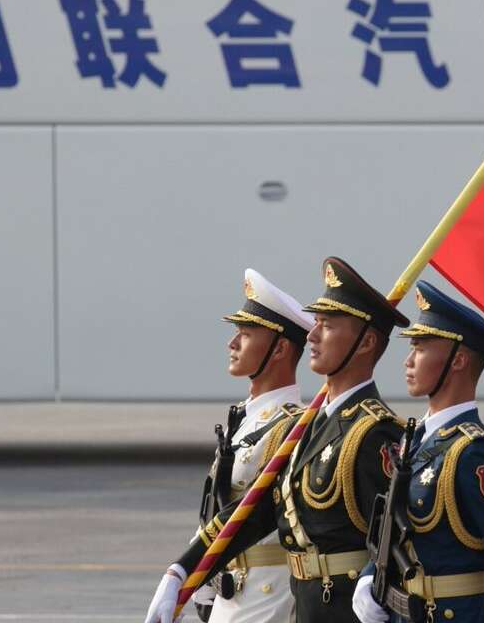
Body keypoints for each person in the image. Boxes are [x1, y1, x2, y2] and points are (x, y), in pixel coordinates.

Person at [146, 257, 409, 623]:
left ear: (365, 343)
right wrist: (181, 571)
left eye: (327, 326)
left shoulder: (374, 432)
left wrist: (371, 580)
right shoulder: (311, 427)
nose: (313, 336)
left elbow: (399, 537)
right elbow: (255, 511)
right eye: (316, 323)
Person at [352, 281, 484, 623]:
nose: (408, 361)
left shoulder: (475, 455)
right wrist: (370, 573)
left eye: (421, 347)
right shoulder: (415, 440)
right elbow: (395, 526)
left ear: (458, 359)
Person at [188, 268, 316, 622]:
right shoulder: (244, 418)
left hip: (266, 596)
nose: (232, 343)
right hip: (228, 589)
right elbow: (218, 503)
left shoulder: (292, 426)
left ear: (280, 349)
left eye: (245, 334)